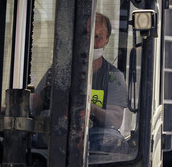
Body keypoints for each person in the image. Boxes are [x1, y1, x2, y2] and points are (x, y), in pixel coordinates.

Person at [28, 12, 129, 141]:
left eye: (97, 37)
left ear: (106, 41)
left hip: (95, 137)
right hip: (59, 134)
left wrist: (88, 105)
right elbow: (37, 101)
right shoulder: (59, 70)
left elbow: (115, 120)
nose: (91, 42)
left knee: (113, 140)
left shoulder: (114, 78)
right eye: (87, 35)